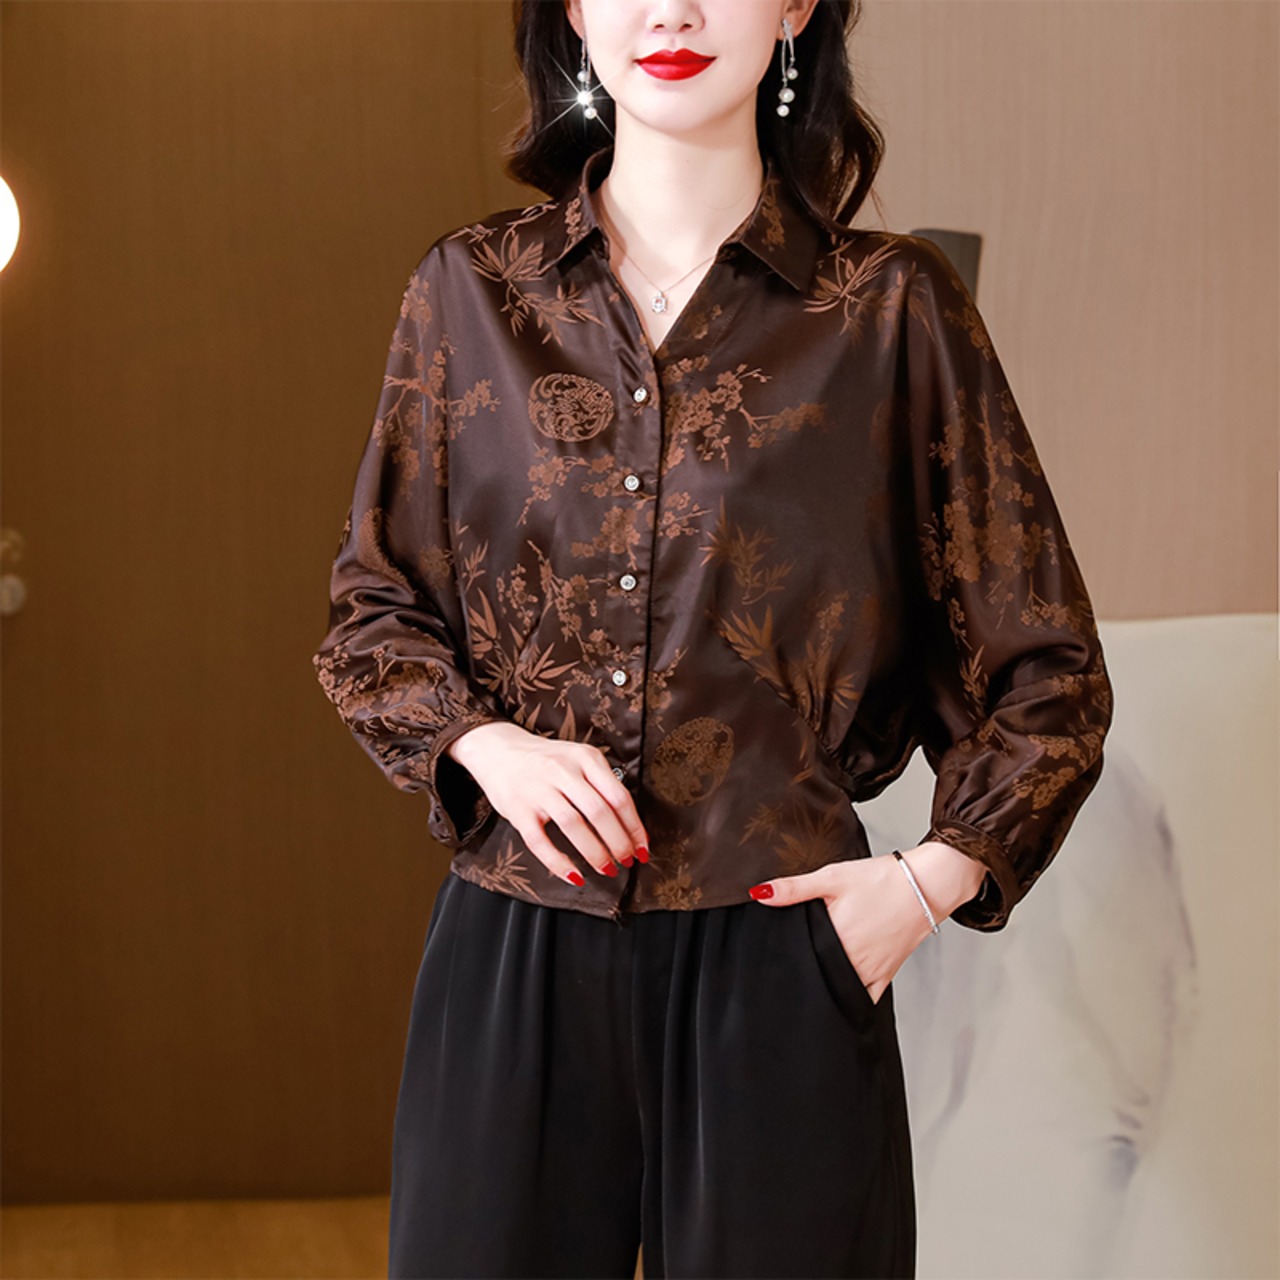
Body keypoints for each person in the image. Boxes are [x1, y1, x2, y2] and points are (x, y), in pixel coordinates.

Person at [310, 1, 1114, 1276]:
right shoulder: (470, 290)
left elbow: (1047, 671)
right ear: (573, 9)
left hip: (780, 957)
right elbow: (375, 608)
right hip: (517, 945)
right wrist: (486, 747)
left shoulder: (890, 309)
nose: (671, 10)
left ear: (795, 6)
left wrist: (924, 883)